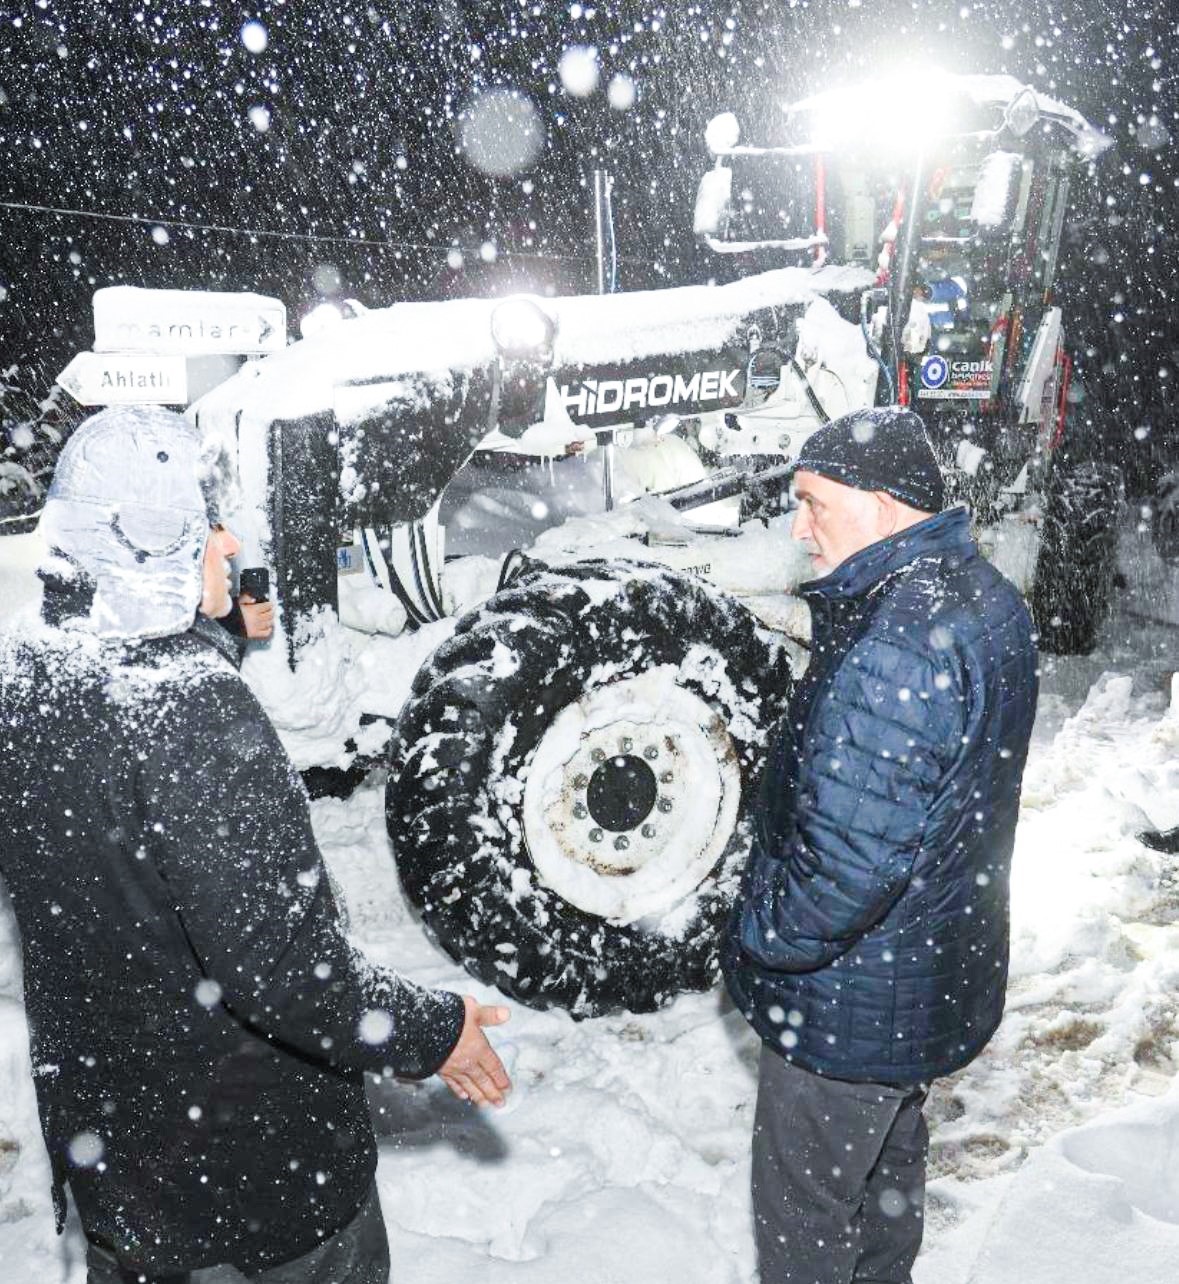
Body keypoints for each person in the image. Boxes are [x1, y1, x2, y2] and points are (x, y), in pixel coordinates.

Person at [0, 406, 511, 1284]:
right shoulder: (192, 715)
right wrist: (437, 1030)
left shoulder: (30, 674)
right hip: (252, 1179)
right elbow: (281, 970)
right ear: (159, 541)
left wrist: (214, 636)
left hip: (121, 1165)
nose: (229, 539)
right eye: (204, 523)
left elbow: (127, 801)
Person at [723, 406, 1038, 1284]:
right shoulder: (983, 598)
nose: (797, 526)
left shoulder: (895, 645)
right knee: (886, 1175)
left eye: (813, 502)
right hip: (923, 975)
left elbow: (846, 871)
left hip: (847, 1006)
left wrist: (758, 931)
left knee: (805, 1217)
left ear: (883, 504)